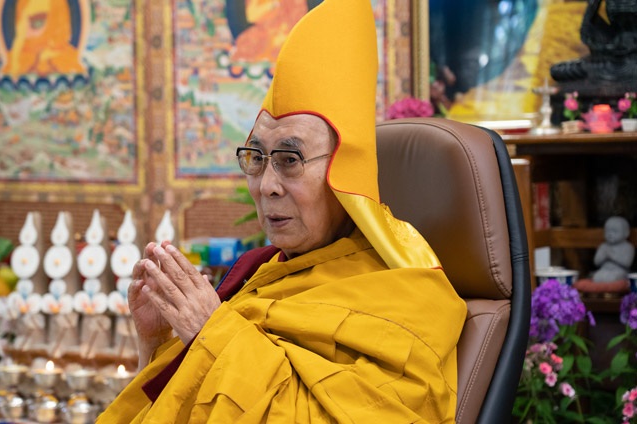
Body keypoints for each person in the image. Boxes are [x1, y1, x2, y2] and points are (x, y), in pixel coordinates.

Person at [98, 0, 466, 421]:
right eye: (256, 156)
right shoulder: (261, 276)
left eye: (290, 160)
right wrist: (157, 344)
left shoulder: (408, 299)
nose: (266, 186)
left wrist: (211, 334)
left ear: (346, 174)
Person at [592, 216, 634, 283]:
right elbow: (596, 262)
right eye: (607, 231)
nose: (610, 234)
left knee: (613, 277)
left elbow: (627, 263)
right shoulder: (603, 246)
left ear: (626, 233)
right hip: (604, 270)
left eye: (615, 231)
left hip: (620, 271)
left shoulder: (628, 247)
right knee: (597, 277)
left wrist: (612, 256)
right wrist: (603, 256)